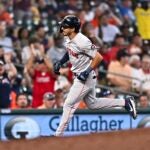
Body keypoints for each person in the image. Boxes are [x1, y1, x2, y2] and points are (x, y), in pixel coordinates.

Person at [53, 15, 137, 136]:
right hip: (81, 75)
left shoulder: (82, 41)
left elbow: (98, 57)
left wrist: (86, 71)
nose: (62, 28)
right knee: (93, 104)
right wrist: (61, 62)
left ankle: (58, 135)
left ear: (73, 28)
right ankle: (125, 102)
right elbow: (70, 52)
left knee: (68, 104)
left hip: (84, 77)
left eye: (65, 26)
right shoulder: (68, 37)